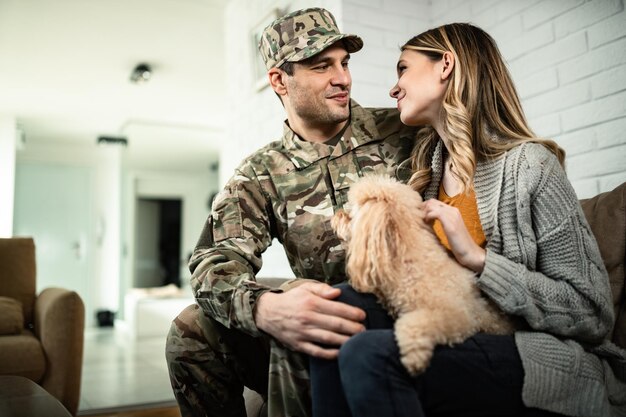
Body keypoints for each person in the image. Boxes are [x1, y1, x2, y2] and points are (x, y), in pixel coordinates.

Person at [309, 23, 626, 417]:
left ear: (446, 65)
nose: (393, 88)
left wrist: (479, 261)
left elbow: (592, 314)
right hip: (465, 337)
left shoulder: (531, 167)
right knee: (333, 317)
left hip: (544, 359)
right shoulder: (425, 176)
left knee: (369, 353)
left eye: (403, 68)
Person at [165, 7, 418, 417]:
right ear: (279, 80)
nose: (343, 78)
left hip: (407, 315)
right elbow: (212, 265)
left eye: (344, 62)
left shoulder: (404, 131)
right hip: (324, 322)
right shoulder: (259, 172)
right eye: (322, 66)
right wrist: (267, 308)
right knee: (190, 331)